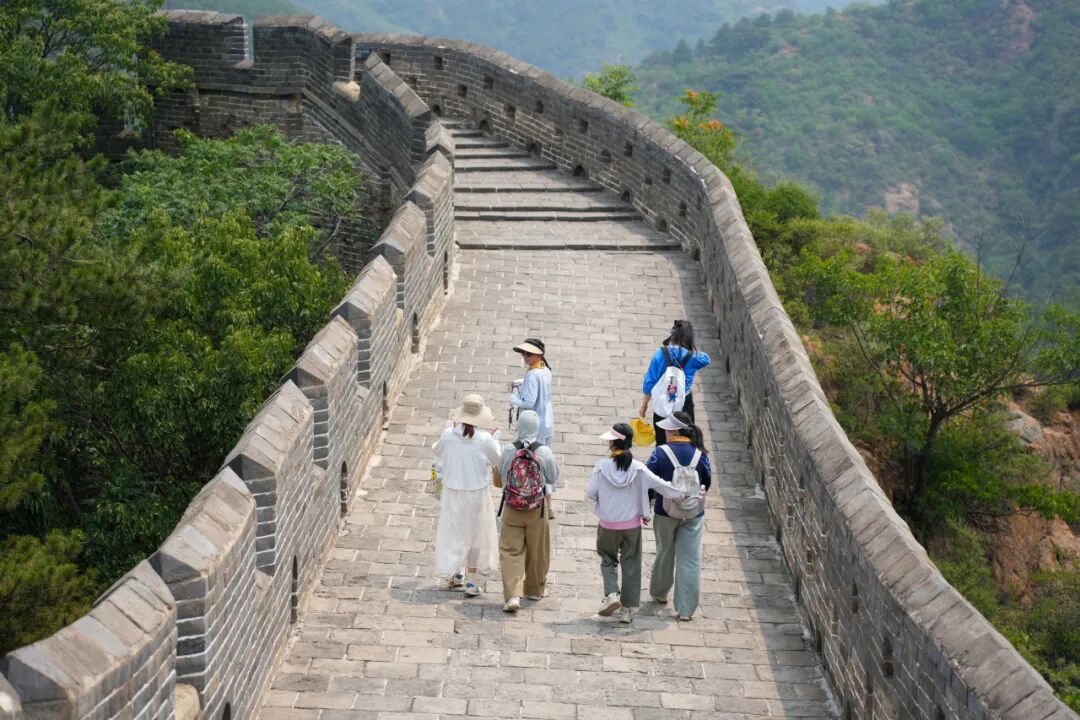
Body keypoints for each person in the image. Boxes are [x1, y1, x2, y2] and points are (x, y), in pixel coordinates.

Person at [586, 422, 687, 624]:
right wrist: (682, 494)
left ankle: (611, 594)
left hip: (607, 524)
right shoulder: (639, 468)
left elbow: (591, 493)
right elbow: (662, 486)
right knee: (631, 563)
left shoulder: (601, 467)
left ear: (613, 443)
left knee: (608, 559)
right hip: (631, 526)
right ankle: (627, 610)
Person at [432, 394, 501, 597]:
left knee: (455, 532)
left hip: (453, 492)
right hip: (476, 493)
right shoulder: (485, 439)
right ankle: (471, 580)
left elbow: (437, 451)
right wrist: (496, 439)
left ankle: (457, 573)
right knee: (476, 536)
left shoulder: (448, 436)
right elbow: (497, 460)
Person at [646, 412, 711, 621]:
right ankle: (685, 609)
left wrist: (647, 504)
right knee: (690, 560)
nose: (664, 432)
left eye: (667, 429)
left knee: (664, 552)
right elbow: (707, 481)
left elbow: (648, 480)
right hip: (693, 513)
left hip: (665, 512)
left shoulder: (660, 452)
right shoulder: (701, 454)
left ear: (674, 431)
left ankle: (660, 592)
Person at [497, 410, 559, 613]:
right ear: (537, 428)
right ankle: (534, 590)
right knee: (537, 550)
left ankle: (512, 595)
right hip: (536, 508)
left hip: (512, 507)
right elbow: (552, 478)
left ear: (519, 426)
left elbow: (502, 476)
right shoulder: (544, 451)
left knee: (510, 551)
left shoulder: (509, 450)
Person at [639, 320, 711, 444]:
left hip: (662, 402)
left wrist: (644, 406)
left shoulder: (659, 354)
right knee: (686, 438)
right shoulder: (693, 358)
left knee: (662, 440)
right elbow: (706, 359)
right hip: (684, 402)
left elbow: (649, 382)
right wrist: (691, 348)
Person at [509, 338, 554, 446]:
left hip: (533, 426)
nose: (525, 357)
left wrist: (513, 399)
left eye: (528, 354)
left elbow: (528, 403)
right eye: (523, 353)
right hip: (547, 420)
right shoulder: (545, 369)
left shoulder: (532, 375)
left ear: (538, 355)